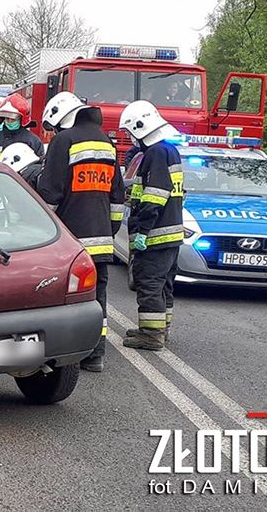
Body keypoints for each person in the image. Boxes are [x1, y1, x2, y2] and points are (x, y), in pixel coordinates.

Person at [37, 92, 125, 372]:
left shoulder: (64, 141)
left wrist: (39, 228)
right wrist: (109, 230)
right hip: (102, 238)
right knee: (97, 298)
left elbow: (50, 192)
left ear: (59, 119)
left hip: (69, 241)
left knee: (64, 297)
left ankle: (64, 352)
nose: (53, 133)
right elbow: (117, 195)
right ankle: (96, 354)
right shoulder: (106, 141)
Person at [119, 100, 184, 350]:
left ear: (140, 127)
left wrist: (143, 231)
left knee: (149, 282)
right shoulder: (170, 150)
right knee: (164, 283)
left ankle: (151, 334)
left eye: (129, 132)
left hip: (155, 233)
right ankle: (161, 329)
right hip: (171, 232)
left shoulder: (155, 153)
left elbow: (155, 195)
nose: (130, 137)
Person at [0, 94, 44, 161]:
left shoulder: (33, 141)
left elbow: (39, 165)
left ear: (21, 119)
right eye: (7, 118)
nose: (9, 121)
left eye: (13, 119)